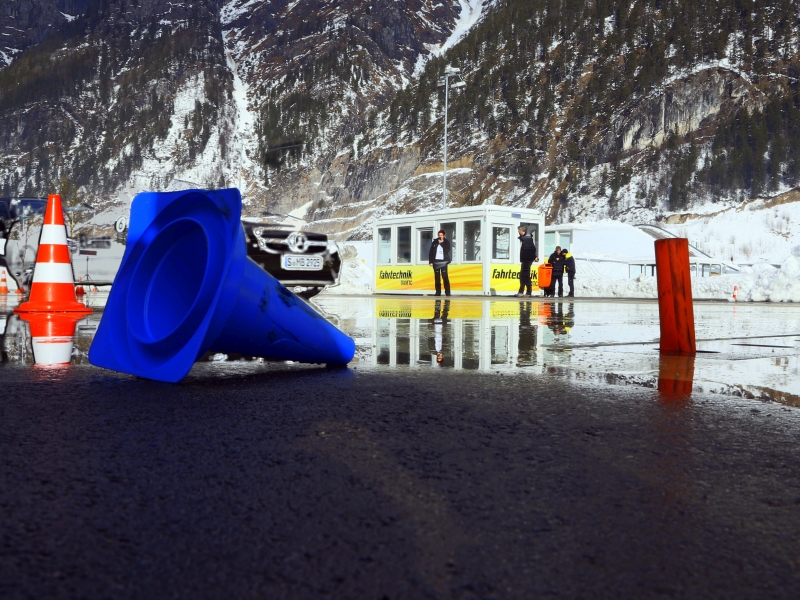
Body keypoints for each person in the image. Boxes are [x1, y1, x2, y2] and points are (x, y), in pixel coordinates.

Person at [516, 225, 538, 297]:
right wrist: (534, 257)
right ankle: (523, 291)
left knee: (525, 275)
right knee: (523, 275)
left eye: (519, 230)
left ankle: (527, 292)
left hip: (527, 259)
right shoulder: (526, 238)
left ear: (522, 230)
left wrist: (534, 257)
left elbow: (532, 249)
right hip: (526, 259)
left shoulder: (527, 239)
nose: (518, 231)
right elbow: (532, 249)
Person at [428, 229, 451, 296]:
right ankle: (438, 292)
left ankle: (447, 292)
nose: (440, 236)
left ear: (444, 235)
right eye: (439, 235)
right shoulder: (435, 241)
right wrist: (431, 261)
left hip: (443, 261)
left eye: (441, 235)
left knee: (445, 277)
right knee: (437, 277)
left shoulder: (446, 242)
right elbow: (431, 252)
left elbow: (447, 250)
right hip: (436, 261)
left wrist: (442, 243)